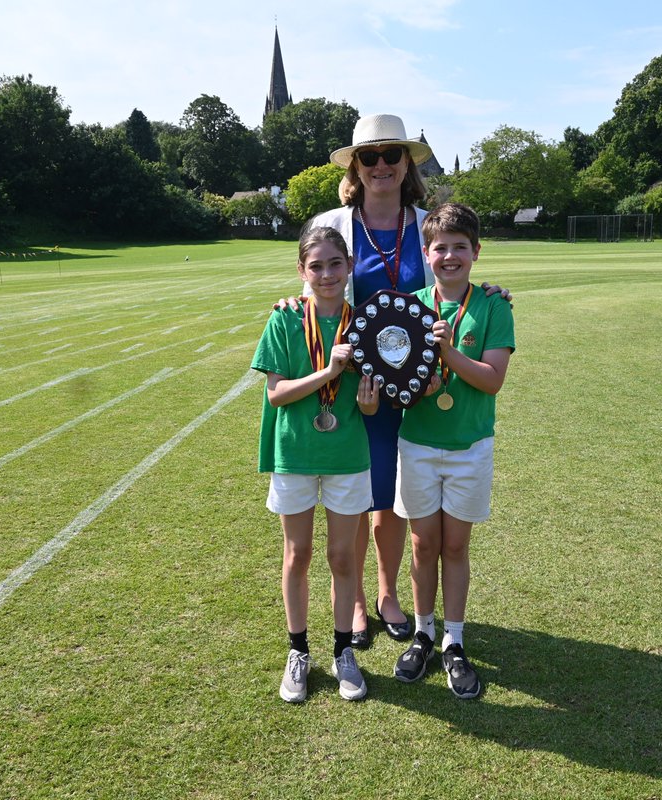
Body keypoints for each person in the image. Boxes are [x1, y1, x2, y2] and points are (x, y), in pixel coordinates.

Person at [290, 113, 510, 649]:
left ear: (408, 162)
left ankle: (388, 594)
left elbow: (453, 277)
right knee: (357, 490)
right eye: (370, 156)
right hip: (354, 384)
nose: (381, 165)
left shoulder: (428, 223)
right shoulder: (333, 223)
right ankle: (355, 602)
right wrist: (289, 301)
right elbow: (313, 283)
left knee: (391, 495)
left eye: (392, 155)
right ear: (355, 167)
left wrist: (491, 291)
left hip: (419, 388)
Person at [252, 226, 382, 703]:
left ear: (349, 267)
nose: (326, 274)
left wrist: (367, 402)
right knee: (298, 554)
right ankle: (299, 651)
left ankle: (343, 651)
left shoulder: (365, 325)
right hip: (296, 454)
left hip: (348, 455)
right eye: (316, 266)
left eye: (334, 263)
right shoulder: (285, 319)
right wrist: (329, 371)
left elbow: (370, 407)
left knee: (343, 557)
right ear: (301, 272)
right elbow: (276, 393)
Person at [391, 203, 514, 700]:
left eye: (460, 247)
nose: (449, 256)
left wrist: (447, 353)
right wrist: (417, 386)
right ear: (426, 254)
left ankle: (454, 641)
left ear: (476, 252)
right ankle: (423, 633)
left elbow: (492, 380)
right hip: (418, 446)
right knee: (423, 545)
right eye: (440, 248)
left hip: (469, 448)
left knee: (456, 547)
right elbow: (399, 383)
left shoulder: (494, 306)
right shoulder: (409, 307)